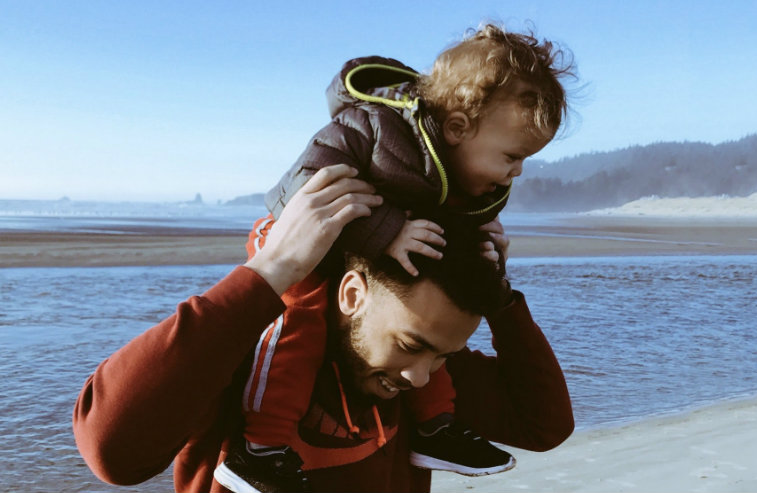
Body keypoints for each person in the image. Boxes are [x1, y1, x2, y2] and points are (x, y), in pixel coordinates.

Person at [72, 165, 574, 492]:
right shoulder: (246, 354)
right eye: (411, 346)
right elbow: (113, 453)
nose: (423, 377)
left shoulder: (424, 367)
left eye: (443, 356)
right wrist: (271, 271)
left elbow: (543, 424)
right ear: (352, 294)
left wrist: (501, 299)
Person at [227, 24, 575, 491]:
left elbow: (545, 423)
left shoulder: (466, 179)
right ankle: (261, 448)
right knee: (300, 324)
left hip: (375, 260)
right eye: (512, 156)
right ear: (458, 128)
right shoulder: (373, 125)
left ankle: (435, 428)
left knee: (429, 341)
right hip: (299, 244)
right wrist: (386, 230)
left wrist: (491, 278)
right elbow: (305, 183)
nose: (517, 171)